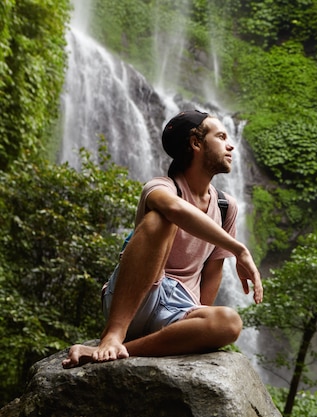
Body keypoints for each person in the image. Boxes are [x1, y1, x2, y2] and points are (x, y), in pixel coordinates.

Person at [62, 110, 263, 368]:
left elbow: (212, 271)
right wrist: (239, 249)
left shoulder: (226, 207)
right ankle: (113, 334)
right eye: (221, 137)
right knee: (160, 220)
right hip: (138, 298)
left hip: (177, 311)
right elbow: (174, 209)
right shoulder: (161, 187)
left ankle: (119, 350)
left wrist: (197, 319)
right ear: (196, 143)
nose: (230, 144)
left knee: (230, 322)